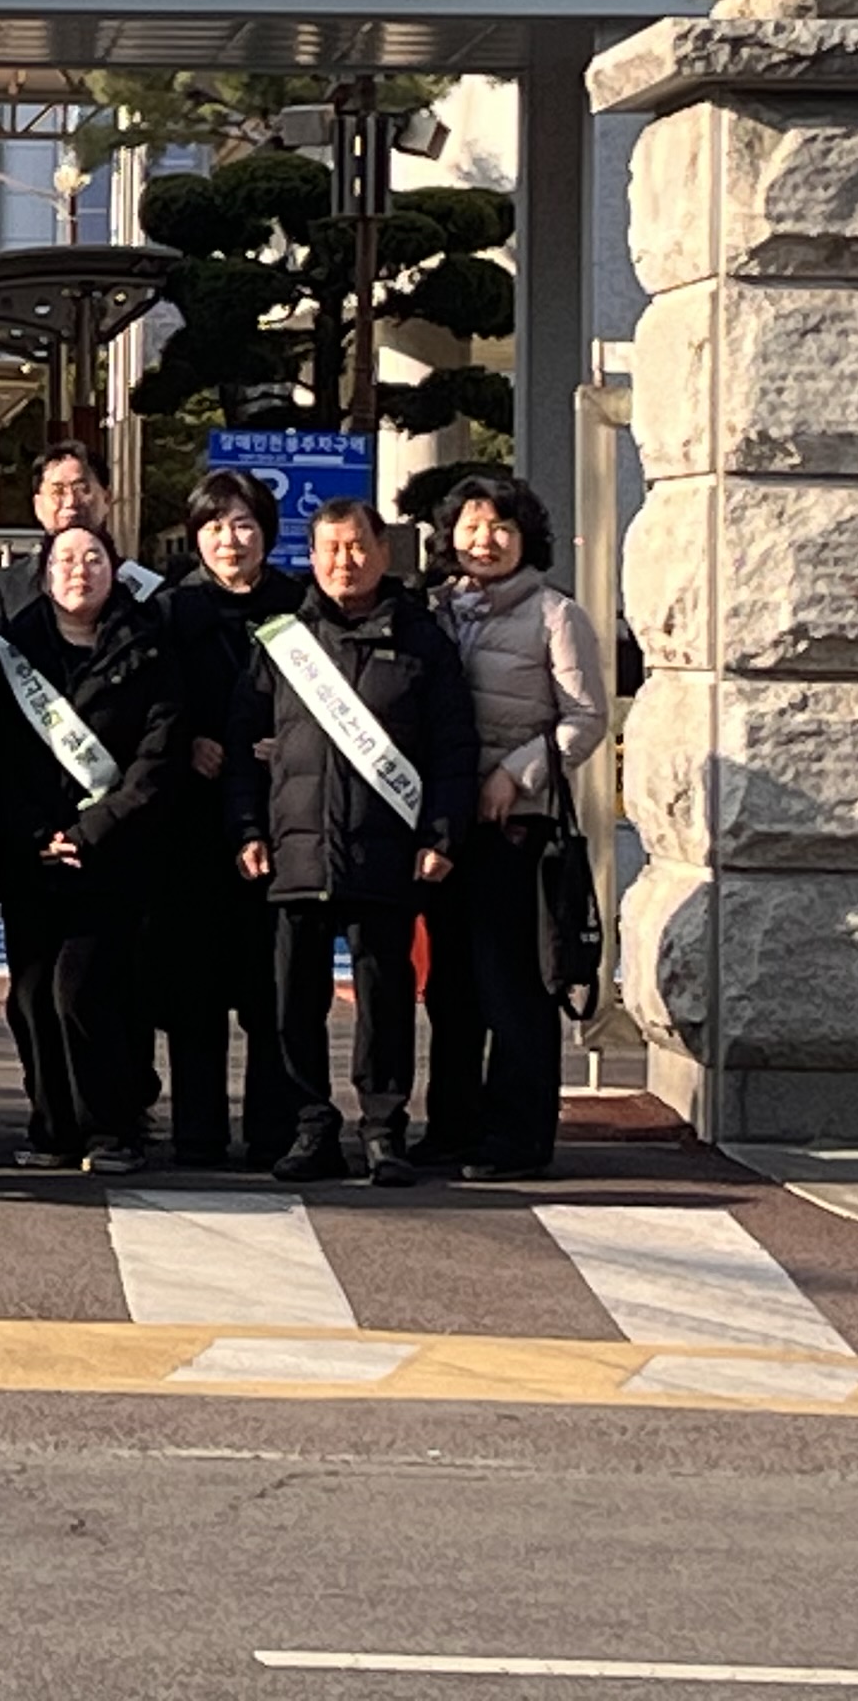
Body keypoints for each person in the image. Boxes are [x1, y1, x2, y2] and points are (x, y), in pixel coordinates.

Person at [233, 496, 479, 1188]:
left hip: (386, 849)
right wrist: (247, 828)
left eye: (358, 546)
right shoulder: (281, 642)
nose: (345, 560)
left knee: (386, 995)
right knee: (293, 999)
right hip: (296, 848)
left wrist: (442, 834)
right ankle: (312, 1127)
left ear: (382, 551)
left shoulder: (422, 638)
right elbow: (239, 743)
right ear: (311, 558)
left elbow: (454, 748)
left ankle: (383, 1129)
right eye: (331, 548)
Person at [424, 469, 609, 1180]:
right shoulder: (437, 609)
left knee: (513, 985)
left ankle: (516, 1138)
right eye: (471, 525)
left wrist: (518, 773)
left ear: (526, 536)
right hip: (445, 825)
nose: (485, 539)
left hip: (516, 829)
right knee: (450, 988)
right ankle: (451, 1128)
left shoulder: (556, 614)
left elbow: (587, 719)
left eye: (501, 526)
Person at [0, 521, 182, 1173]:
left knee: (88, 989)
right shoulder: (12, 649)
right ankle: (53, 1126)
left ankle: (112, 1126)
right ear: (44, 573)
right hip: (33, 853)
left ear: (114, 569)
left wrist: (91, 831)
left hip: (115, 855)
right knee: (33, 995)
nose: (79, 570)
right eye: (65, 559)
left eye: (93, 557)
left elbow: (156, 757)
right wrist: (39, 833)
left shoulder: (149, 648)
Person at [156, 466, 303, 1169]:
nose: (229, 539)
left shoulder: (301, 606)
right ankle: (198, 1131)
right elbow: (151, 701)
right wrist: (188, 741)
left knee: (272, 980)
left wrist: (293, 745)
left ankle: (274, 1128)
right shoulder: (171, 609)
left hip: (281, 812)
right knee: (192, 980)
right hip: (191, 820)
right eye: (213, 526)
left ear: (267, 533)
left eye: (243, 524)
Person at [0, 444, 157, 623]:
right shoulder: (6, 589)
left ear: (107, 498)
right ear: (38, 505)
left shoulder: (147, 589)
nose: (71, 502)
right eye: (58, 491)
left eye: (82, 489)